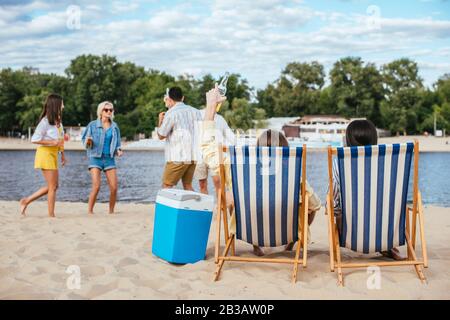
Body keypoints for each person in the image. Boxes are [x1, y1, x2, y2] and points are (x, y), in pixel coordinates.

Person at [201, 85, 321, 257]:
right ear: (285, 150)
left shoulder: (239, 168)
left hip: (250, 229)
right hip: (285, 229)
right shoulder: (293, 175)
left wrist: (211, 107)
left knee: (235, 196)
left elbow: (208, 148)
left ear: (257, 149)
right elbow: (315, 206)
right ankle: (291, 241)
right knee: (306, 204)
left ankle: (256, 244)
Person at [332, 119, 404, 260]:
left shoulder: (340, 163)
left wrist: (336, 213)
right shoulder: (389, 162)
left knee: (339, 211)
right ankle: (386, 246)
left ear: (348, 140)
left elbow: (334, 199)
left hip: (351, 233)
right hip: (385, 232)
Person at [20, 94, 66, 218]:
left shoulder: (58, 121)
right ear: (55, 105)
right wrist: (51, 142)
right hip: (45, 154)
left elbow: (60, 139)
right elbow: (34, 139)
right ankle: (51, 215)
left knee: (54, 186)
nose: (63, 106)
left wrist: (62, 154)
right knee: (52, 187)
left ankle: (26, 201)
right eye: (62, 103)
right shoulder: (45, 121)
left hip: (54, 154)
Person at [82, 101, 123, 214]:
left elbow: (118, 143)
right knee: (96, 186)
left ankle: (111, 211)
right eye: (106, 110)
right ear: (101, 111)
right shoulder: (92, 125)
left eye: (111, 110)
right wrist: (88, 141)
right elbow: (84, 141)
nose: (109, 112)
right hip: (95, 157)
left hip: (109, 158)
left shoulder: (115, 127)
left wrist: (118, 150)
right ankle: (90, 211)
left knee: (114, 187)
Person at [157, 87, 202, 190]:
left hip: (177, 156)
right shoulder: (196, 112)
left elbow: (161, 135)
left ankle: (167, 207)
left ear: (170, 99)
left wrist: (160, 120)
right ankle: (193, 206)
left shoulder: (171, 113)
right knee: (187, 185)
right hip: (193, 156)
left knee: (167, 186)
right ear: (182, 98)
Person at [195, 108, 235, 195]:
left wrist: (238, 147)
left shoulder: (220, 119)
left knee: (218, 182)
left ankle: (219, 206)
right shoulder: (198, 114)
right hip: (199, 155)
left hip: (215, 155)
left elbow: (231, 136)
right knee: (202, 184)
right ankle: (205, 207)